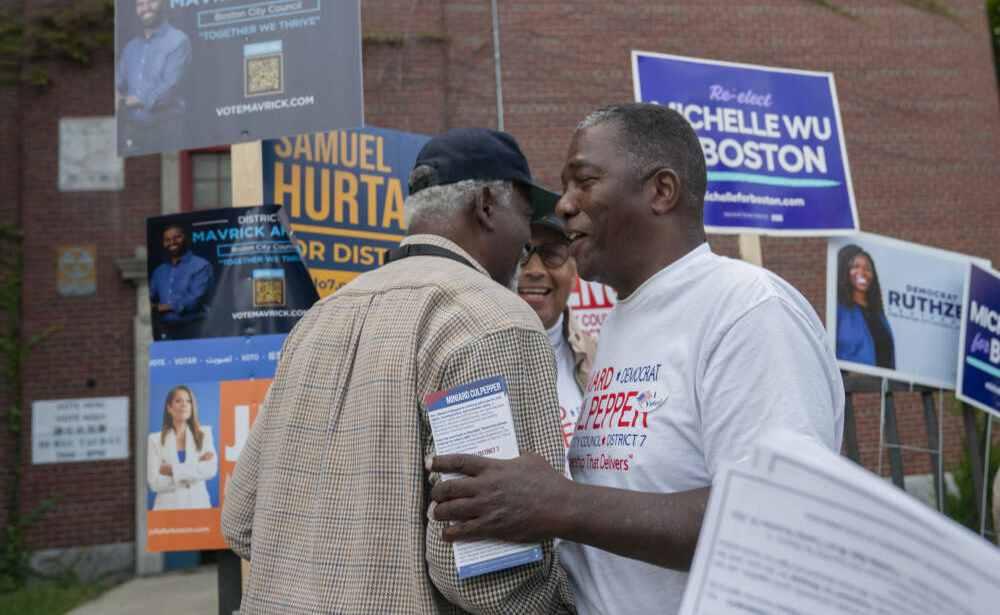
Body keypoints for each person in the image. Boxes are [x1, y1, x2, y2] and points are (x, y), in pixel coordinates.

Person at [429, 103, 845, 614]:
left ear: (662, 191)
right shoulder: (627, 318)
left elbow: (781, 521)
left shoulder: (748, 311)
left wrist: (557, 504)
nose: (562, 205)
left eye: (584, 181)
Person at [221, 128, 575, 613]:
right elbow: (489, 577)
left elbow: (241, 520)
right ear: (487, 204)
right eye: (524, 216)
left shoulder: (317, 320)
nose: (527, 244)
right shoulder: (492, 319)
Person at [517, 213, 596, 459]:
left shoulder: (598, 357)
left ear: (574, 272)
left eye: (552, 254)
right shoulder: (473, 360)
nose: (535, 270)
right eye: (522, 253)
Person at [116, 0, 191, 152]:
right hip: (132, 128)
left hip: (167, 129)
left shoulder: (178, 41)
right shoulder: (131, 47)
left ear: (163, 3)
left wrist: (127, 100)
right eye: (140, 4)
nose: (146, 8)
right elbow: (118, 77)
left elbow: (170, 88)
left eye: (152, 1)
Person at [147, 385, 217, 510]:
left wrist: (173, 470)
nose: (184, 404)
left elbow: (210, 469)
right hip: (167, 511)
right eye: (178, 401)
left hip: (199, 507)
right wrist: (195, 468)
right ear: (169, 408)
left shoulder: (204, 434)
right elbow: (155, 483)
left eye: (188, 401)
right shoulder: (154, 440)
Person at [149, 223, 214, 340]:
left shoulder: (201, 265)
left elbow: (195, 300)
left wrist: (163, 307)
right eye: (167, 240)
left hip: (195, 328)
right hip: (165, 329)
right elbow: (149, 296)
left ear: (186, 238)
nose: (172, 242)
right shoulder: (159, 271)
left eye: (177, 237)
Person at [835, 244, 895, 369]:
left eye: (867, 268)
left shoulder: (878, 314)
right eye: (855, 266)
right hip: (852, 386)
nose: (862, 272)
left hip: (881, 387)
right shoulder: (839, 309)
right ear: (844, 270)